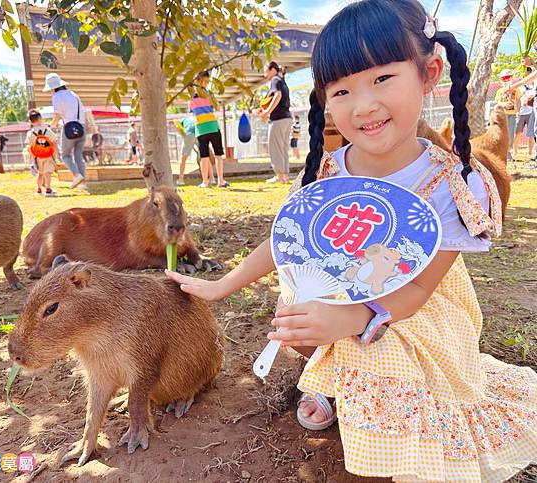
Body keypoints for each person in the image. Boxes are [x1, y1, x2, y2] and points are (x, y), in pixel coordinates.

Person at [166, 1, 537, 481]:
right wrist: (223, 285)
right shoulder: (331, 171)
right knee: (298, 312)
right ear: (325, 100)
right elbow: (290, 241)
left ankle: (399, 433)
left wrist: (353, 317)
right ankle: (333, 384)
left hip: (416, 308)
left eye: (382, 79)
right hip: (343, 288)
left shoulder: (453, 184)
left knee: (375, 347)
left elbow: (420, 291)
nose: (362, 105)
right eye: (342, 90)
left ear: (430, 72)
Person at [44, 73, 88, 191]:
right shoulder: (74, 94)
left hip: (69, 128)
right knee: (78, 155)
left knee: (65, 156)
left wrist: (51, 126)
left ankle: (76, 175)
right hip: (82, 127)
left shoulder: (57, 96)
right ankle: (83, 184)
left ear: (53, 87)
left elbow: (57, 115)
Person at [188, 71, 228, 188]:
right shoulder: (210, 95)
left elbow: (191, 109)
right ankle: (221, 181)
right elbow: (217, 107)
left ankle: (205, 182)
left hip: (201, 129)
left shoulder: (192, 97)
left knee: (204, 157)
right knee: (219, 155)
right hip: (213, 127)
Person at [259, 61, 292, 184]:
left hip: (278, 119)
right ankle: (284, 176)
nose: (264, 73)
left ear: (272, 69)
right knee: (283, 148)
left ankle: (280, 176)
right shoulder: (282, 81)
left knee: (275, 148)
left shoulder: (275, 80)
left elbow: (278, 96)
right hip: (287, 118)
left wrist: (266, 112)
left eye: (265, 70)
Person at [25, 109, 57, 196]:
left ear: (30, 121)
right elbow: (54, 141)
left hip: (38, 157)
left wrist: (32, 156)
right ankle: (48, 189)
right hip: (48, 155)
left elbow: (29, 145)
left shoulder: (30, 133)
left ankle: (39, 190)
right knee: (47, 173)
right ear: (40, 118)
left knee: (40, 173)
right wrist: (55, 154)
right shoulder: (47, 130)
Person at [495, 69, 521, 161]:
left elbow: (518, 101)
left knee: (510, 134)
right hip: (503, 115)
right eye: (504, 78)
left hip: (512, 115)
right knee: (501, 133)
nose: (506, 80)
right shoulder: (500, 91)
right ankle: (500, 152)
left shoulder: (516, 90)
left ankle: (508, 152)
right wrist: (504, 104)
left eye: (508, 77)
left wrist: (518, 111)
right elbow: (498, 102)